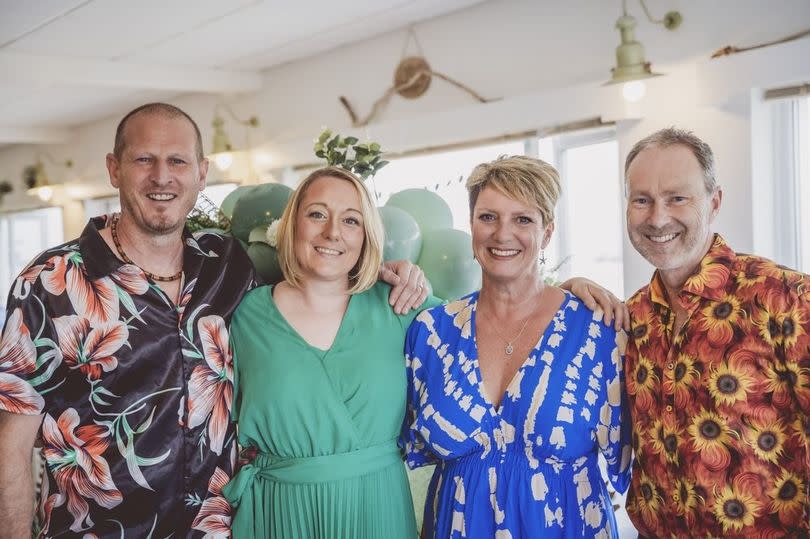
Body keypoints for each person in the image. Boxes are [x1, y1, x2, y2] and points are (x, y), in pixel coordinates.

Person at [0, 103, 425, 538]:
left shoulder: (228, 264)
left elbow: (319, 274)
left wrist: (390, 270)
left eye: (178, 161)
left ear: (201, 173)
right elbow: (10, 446)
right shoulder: (48, 283)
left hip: (216, 530)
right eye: (144, 159)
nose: (162, 177)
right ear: (114, 169)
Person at [402, 155, 632, 538]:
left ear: (546, 232)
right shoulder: (431, 333)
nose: (502, 234)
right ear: (471, 225)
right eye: (488, 217)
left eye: (522, 219)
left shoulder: (597, 331)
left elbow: (636, 460)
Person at [222, 166, 438, 537]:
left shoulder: (401, 304)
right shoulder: (242, 316)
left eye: (351, 220)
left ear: (367, 234)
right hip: (281, 515)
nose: (332, 232)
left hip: (376, 509)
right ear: (293, 225)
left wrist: (572, 291)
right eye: (317, 214)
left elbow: (501, 321)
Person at [621, 127, 810, 537]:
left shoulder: (785, 297)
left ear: (715, 202)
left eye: (677, 198)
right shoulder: (631, 318)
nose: (657, 218)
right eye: (642, 200)